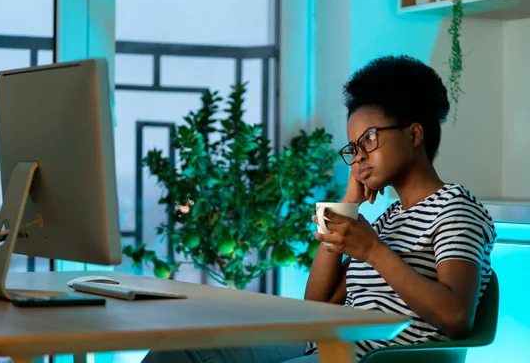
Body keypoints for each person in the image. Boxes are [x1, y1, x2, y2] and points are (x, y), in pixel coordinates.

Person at [141, 55, 497, 363]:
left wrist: (373, 250)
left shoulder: (455, 207)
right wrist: (348, 206)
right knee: (177, 350)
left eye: (369, 139)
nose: (358, 156)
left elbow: (456, 317)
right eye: (353, 146)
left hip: (376, 359)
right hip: (327, 346)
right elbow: (316, 307)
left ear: (414, 135)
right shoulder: (388, 221)